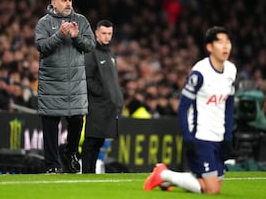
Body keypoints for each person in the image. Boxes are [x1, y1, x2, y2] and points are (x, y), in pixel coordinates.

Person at [143, 26, 237, 194]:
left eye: (228, 42)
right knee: (211, 189)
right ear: (209, 47)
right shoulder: (200, 72)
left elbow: (229, 105)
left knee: (211, 185)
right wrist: (187, 136)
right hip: (201, 135)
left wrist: (228, 136)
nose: (225, 46)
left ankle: (164, 176)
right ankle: (163, 173)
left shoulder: (231, 70)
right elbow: (183, 106)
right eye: (220, 42)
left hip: (219, 136)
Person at [34, 0, 96, 174]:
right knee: (51, 125)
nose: (68, 4)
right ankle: (52, 165)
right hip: (51, 83)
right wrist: (60, 35)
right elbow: (42, 47)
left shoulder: (81, 20)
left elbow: (91, 45)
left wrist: (77, 37)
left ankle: (70, 153)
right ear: (53, 3)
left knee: (77, 120)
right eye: (64, 1)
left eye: (70, 0)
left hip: (74, 84)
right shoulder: (43, 23)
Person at [82, 20, 123, 173]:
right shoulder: (91, 52)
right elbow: (87, 78)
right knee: (91, 140)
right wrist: (102, 93)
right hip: (97, 104)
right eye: (104, 33)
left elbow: (112, 80)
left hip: (108, 106)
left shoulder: (110, 53)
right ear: (96, 33)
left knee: (99, 141)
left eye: (109, 34)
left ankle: (91, 173)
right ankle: (86, 172)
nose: (107, 37)